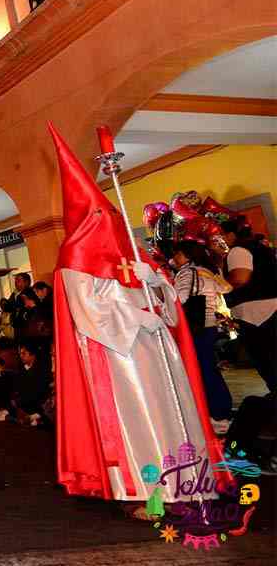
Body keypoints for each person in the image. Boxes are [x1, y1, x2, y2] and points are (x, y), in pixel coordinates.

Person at [47, 125, 226, 516]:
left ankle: (190, 483)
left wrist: (156, 285)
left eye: (107, 212)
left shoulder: (134, 250)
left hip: (158, 347)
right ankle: (156, 491)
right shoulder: (73, 263)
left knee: (172, 412)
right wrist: (136, 319)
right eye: (98, 214)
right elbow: (89, 312)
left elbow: (173, 299)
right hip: (122, 355)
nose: (106, 219)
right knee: (142, 418)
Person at [171, 240, 233, 433]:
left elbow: (179, 299)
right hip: (209, 326)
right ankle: (222, 411)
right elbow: (226, 289)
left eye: (178, 254)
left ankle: (216, 414)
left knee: (202, 370)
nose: (175, 258)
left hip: (194, 327)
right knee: (209, 368)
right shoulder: (206, 271)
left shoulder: (186, 273)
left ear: (187, 255)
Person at [221, 219, 276, 393]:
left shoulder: (238, 250)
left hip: (259, 315)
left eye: (221, 235)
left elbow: (240, 278)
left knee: (268, 362)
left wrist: (219, 283)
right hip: (268, 309)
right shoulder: (260, 247)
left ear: (230, 235)